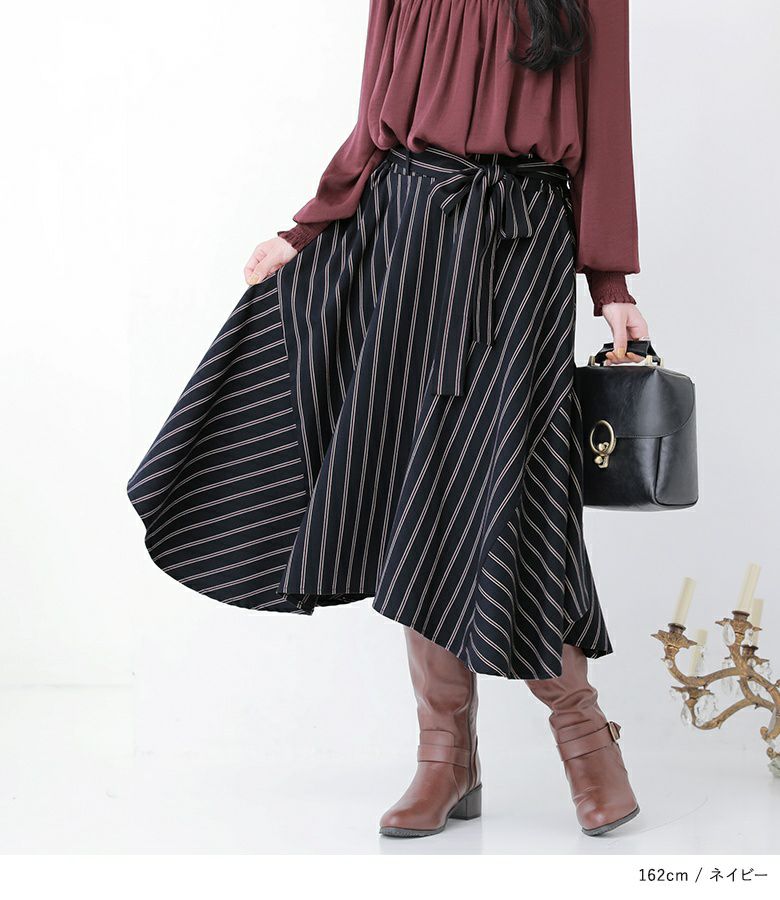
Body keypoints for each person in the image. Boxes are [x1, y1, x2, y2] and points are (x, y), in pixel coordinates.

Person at [128, 0, 649, 839]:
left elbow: (607, 124)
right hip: (404, 233)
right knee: (413, 483)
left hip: (524, 240)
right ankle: (446, 757)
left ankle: (583, 734)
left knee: (517, 489)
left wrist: (611, 285)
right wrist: (307, 228)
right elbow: (376, 112)